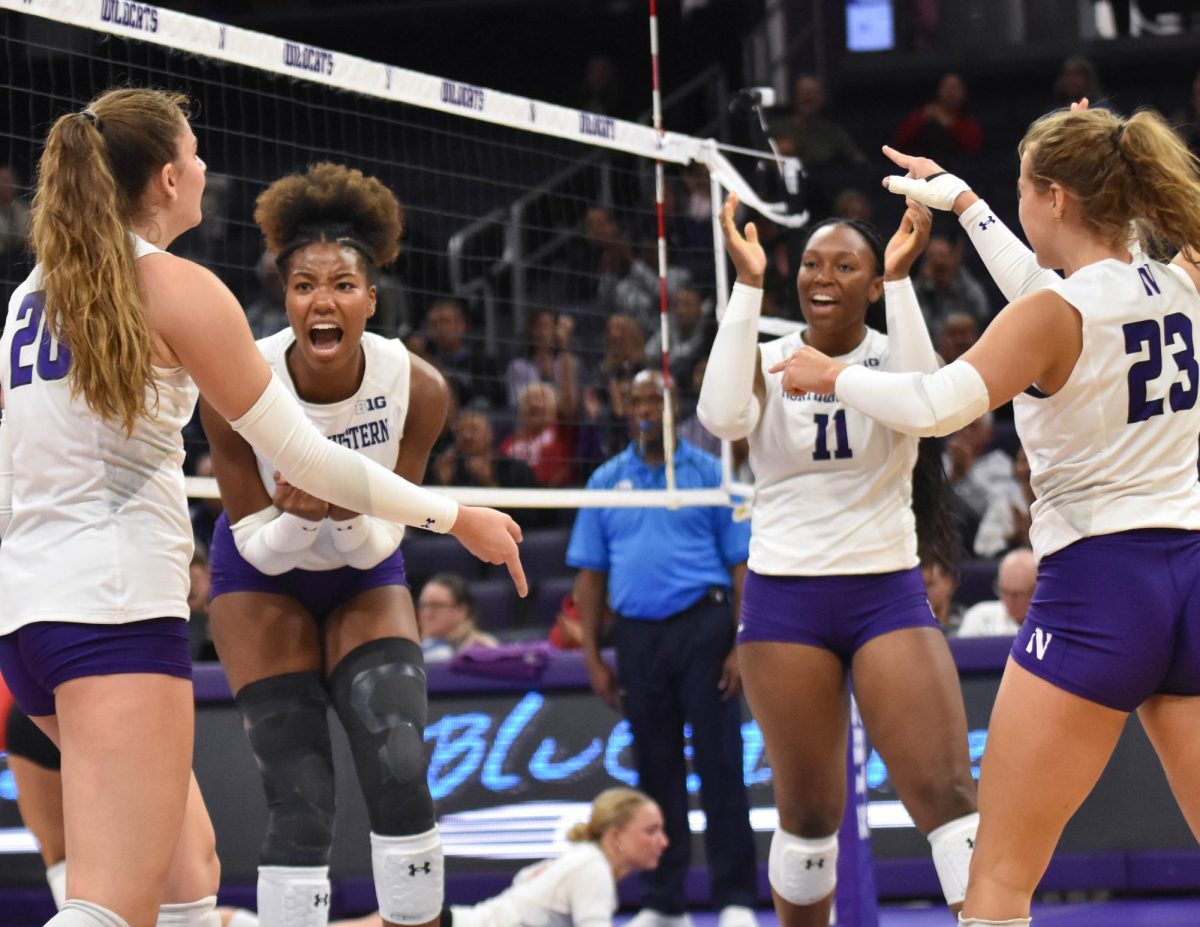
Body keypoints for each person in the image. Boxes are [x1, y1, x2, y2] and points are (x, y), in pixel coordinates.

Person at [0, 88, 524, 927]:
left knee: (188, 871)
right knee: (111, 905)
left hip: (33, 618)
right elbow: (311, 454)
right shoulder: (173, 285)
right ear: (170, 178)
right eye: (197, 153)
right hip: (112, 611)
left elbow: (10, 466)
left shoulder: (33, 294)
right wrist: (454, 516)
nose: (207, 166)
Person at [771, 104, 1200, 925]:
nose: (1019, 205)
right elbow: (1055, 297)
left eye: (1020, 189)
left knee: (998, 881)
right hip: (1190, 573)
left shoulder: (1055, 314)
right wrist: (965, 203)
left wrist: (833, 376)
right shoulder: (1181, 277)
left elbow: (936, 405)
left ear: (1055, 198)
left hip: (1102, 590)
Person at [200, 161, 484, 927]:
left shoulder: (417, 386)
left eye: (342, 285)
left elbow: (385, 535)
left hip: (365, 568)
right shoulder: (237, 382)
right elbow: (258, 543)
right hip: (261, 575)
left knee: (402, 767)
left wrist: (337, 508)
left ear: (371, 298)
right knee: (302, 800)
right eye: (303, 286)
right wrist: (307, 513)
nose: (322, 300)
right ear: (283, 297)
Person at [697, 193, 979, 927]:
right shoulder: (764, 355)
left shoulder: (891, 354)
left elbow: (935, 406)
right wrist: (748, 284)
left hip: (884, 589)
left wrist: (906, 275)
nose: (824, 276)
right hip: (785, 600)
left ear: (872, 283)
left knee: (948, 795)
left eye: (845, 265)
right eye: (813, 263)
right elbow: (721, 417)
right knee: (809, 813)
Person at [568, 369, 758, 927]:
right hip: (637, 637)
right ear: (627, 409)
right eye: (637, 400)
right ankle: (664, 900)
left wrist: (741, 644)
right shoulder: (605, 481)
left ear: (677, 408)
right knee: (655, 772)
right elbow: (589, 575)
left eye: (656, 399)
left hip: (704, 629)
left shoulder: (709, 475)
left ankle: (735, 899)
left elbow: (742, 567)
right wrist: (591, 657)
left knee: (722, 767)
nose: (646, 408)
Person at [417, 572, 499, 661]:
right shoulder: (416, 647)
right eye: (423, 606)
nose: (427, 613)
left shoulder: (481, 649)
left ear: (462, 610)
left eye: (436, 606)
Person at [957, 548, 1035, 638]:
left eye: (1017, 595)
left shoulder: (1052, 625)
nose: (1010, 601)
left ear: (1037, 591)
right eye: (1004, 592)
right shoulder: (978, 617)